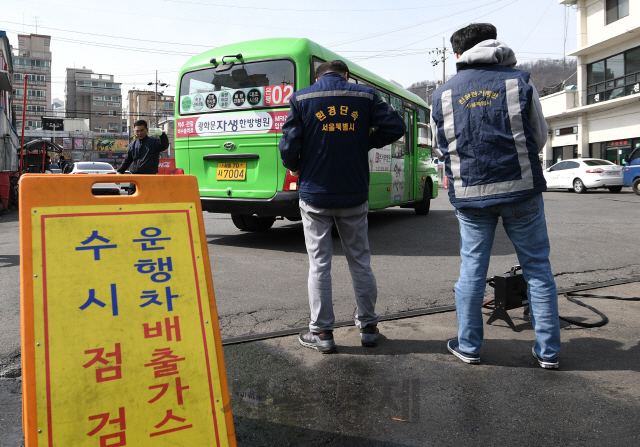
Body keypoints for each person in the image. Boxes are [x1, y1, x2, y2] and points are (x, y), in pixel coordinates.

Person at [430, 23, 561, 369]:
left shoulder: (442, 93)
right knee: (537, 269)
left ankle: (469, 346)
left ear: (458, 54)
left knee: (472, 270)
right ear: (494, 45)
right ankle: (548, 352)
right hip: (521, 190)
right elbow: (540, 136)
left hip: (471, 196)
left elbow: (440, 149)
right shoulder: (520, 81)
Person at [279, 60, 406, 353]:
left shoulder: (301, 98)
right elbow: (396, 126)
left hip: (315, 194)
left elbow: (288, 147)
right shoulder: (364, 96)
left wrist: (298, 166)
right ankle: (369, 327)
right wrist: (366, 141)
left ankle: (322, 333)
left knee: (319, 264)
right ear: (345, 75)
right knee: (360, 260)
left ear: (318, 76)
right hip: (354, 192)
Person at [117, 120, 169, 194]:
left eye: (142, 130)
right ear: (134, 131)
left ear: (147, 130)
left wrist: (162, 135)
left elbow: (164, 145)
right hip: (134, 178)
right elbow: (128, 159)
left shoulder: (153, 142)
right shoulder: (133, 144)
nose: (139, 133)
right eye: (137, 131)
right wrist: (119, 171)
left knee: (148, 202)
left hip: (149, 178)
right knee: (132, 202)